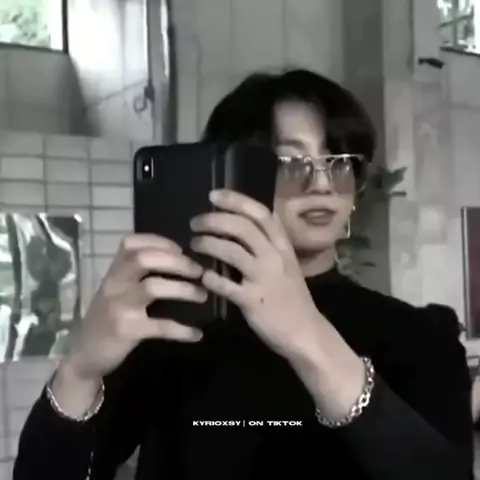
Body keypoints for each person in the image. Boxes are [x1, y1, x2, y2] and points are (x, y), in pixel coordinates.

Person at [13, 69, 473, 480]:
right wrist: (80, 369)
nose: (322, 183)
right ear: (231, 177)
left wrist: (309, 337)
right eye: (290, 163)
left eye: (340, 161)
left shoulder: (419, 337)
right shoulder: (172, 331)